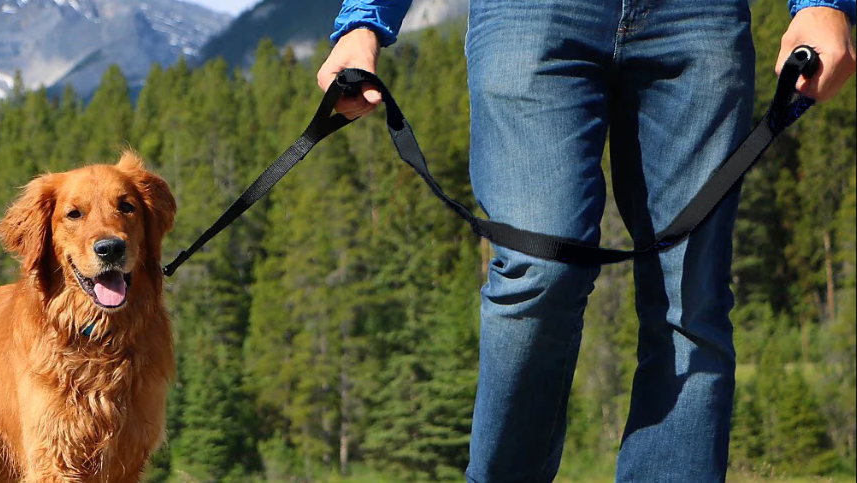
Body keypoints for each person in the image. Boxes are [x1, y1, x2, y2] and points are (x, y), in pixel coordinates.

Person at [317, 0, 856, 482]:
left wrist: (821, 4)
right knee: (538, 273)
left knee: (692, 298)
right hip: (528, 15)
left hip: (699, 16)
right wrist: (365, 19)